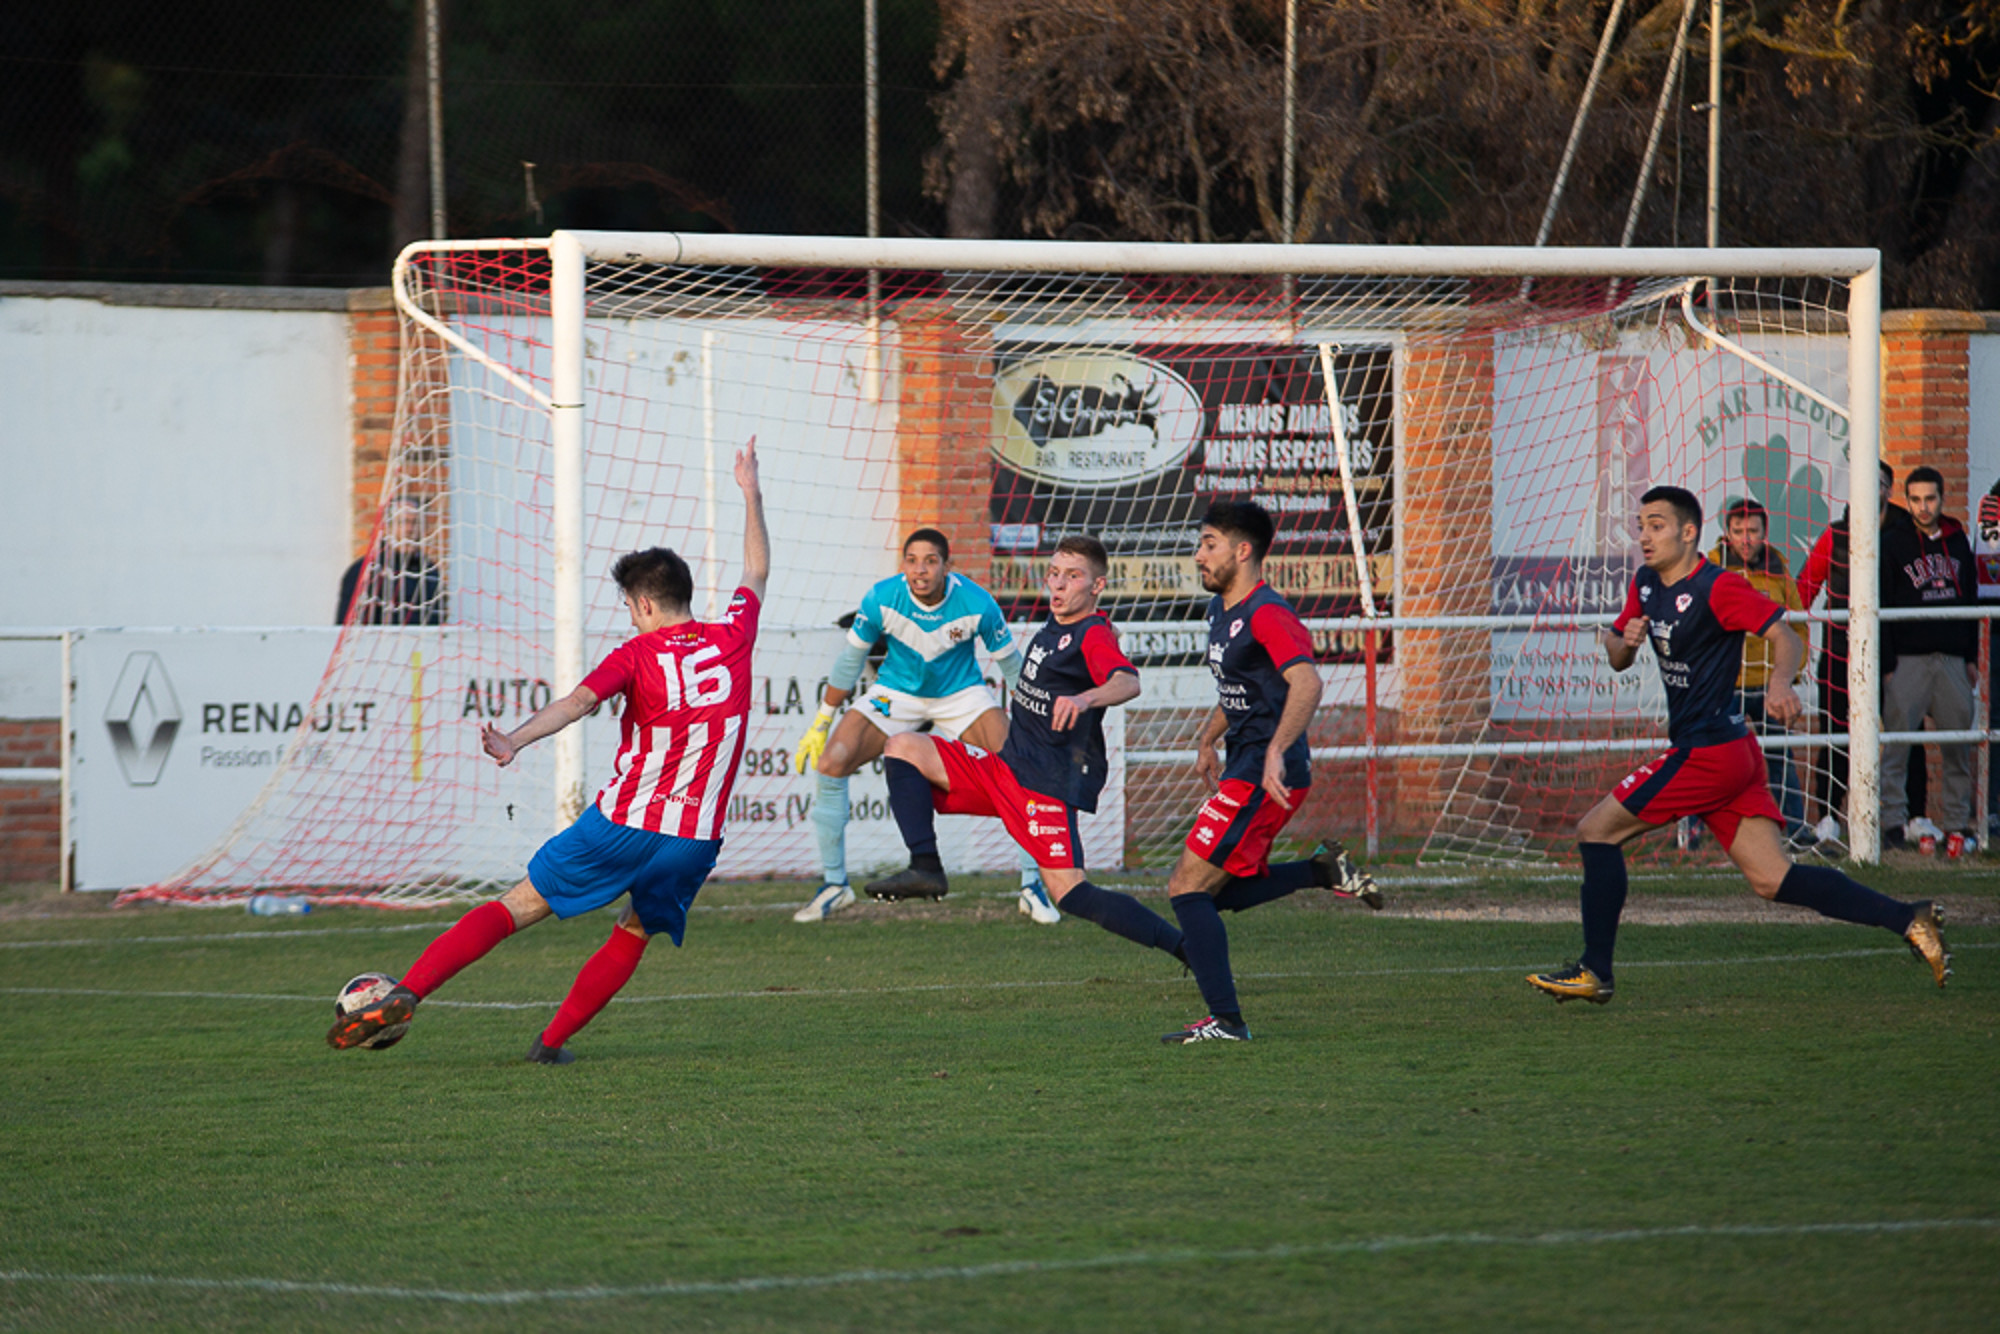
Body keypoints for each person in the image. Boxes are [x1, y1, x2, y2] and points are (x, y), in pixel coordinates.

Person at [326, 440, 769, 1063]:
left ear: (643, 604)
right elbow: (755, 572)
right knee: (634, 931)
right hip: (693, 839)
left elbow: (578, 704)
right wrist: (750, 492)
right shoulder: (733, 636)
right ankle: (551, 1043)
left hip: (622, 824)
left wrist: (514, 739)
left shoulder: (635, 654)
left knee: (515, 907)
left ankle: (407, 992)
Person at [1528, 485, 1951, 1006]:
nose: (1644, 535)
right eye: (1641, 525)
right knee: (1774, 880)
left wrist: (1780, 684)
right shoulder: (1644, 584)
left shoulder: (1717, 586)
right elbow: (1616, 653)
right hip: (1730, 750)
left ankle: (1595, 971)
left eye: (1657, 525)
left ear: (1690, 534)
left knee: (1595, 831)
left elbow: (1785, 635)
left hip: (1709, 752)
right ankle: (1908, 918)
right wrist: (1624, 639)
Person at [859, 537, 1191, 967]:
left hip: (1043, 787)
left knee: (1072, 894)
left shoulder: (1090, 634)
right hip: (1005, 769)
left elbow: (1128, 680)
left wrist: (1087, 699)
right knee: (903, 746)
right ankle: (926, 867)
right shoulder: (1062, 623)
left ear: (1097, 586)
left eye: (1073, 577)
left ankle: (1185, 948)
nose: (1058, 584)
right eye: (1054, 573)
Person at [1156, 500, 1382, 1045]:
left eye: (1208, 544)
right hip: (1245, 765)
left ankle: (1227, 1021)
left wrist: (1278, 747)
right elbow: (1244, 692)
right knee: (1214, 892)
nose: (1198, 555)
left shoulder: (1267, 613)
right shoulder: (1222, 612)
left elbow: (1305, 683)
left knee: (1187, 890)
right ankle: (1321, 872)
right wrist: (1209, 737)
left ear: (1243, 551)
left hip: (1265, 774)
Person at [789, 530, 1047, 923]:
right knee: (831, 762)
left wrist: (1034, 724)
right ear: (903, 564)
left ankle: (1033, 885)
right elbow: (849, 661)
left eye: (930, 561)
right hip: (896, 692)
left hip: (962, 693)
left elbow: (1013, 668)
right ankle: (834, 885)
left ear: (947, 566)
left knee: (1019, 764)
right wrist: (823, 719)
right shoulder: (881, 598)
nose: (920, 569)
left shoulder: (977, 602)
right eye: (912, 560)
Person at [1796, 461, 1920, 843]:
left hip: (1897, 654)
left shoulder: (1907, 533)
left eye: (1880, 484)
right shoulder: (1834, 536)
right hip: (1839, 653)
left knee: (1904, 735)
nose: (1873, 489)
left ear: (1889, 489)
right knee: (1835, 734)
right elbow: (1803, 588)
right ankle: (1829, 819)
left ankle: (1909, 819)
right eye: (1866, 482)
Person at [1879, 466, 1979, 854]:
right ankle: (1891, 824)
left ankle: (1957, 823)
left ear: (1942, 497)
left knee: (1958, 744)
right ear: (1907, 500)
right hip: (1908, 660)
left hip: (1952, 658)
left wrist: (1971, 656)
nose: (1923, 507)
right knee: (1897, 745)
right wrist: (1888, 664)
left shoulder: (1957, 540)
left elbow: (1970, 597)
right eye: (1916, 499)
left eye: (1930, 499)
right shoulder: (1892, 543)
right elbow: (1882, 602)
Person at [1711, 499, 1811, 845]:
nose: (1745, 538)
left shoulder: (1778, 566)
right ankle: (1698, 832)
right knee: (1715, 758)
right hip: (1726, 686)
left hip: (1770, 686)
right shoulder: (1711, 567)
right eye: (1737, 531)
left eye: (1752, 531)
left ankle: (1795, 829)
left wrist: (1788, 677)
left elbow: (1798, 626)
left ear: (1765, 533)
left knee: (1780, 756)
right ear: (1726, 534)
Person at [337, 495, 444, 625]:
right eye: (402, 522)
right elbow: (346, 626)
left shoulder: (430, 572)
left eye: (415, 522)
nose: (410, 529)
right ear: (386, 528)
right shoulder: (364, 571)